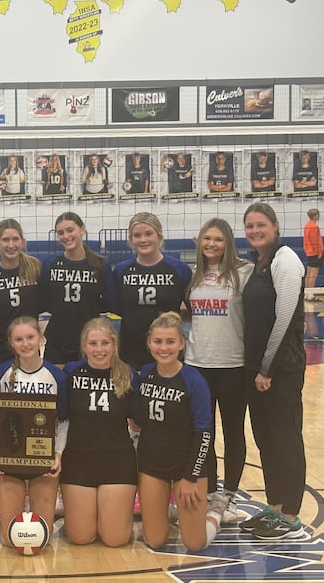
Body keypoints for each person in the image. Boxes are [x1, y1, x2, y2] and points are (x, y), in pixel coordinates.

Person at [240, 203, 308, 540]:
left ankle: (292, 517)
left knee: (285, 441)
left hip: (282, 370)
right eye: (249, 226)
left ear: (276, 225)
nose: (254, 231)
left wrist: (267, 369)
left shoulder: (286, 260)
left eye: (260, 225)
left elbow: (285, 320)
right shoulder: (259, 263)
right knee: (266, 441)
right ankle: (275, 507)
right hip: (257, 371)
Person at [134, 312, 223, 551]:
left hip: (186, 466)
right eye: (158, 341)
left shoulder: (194, 381)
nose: (164, 348)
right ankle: (172, 512)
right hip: (153, 465)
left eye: (170, 342)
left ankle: (215, 512)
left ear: (182, 344)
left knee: (194, 543)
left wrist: (190, 477)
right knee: (154, 540)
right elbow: (137, 421)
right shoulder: (144, 374)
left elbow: (204, 434)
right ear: (149, 343)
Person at [185, 219, 253, 525]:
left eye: (218, 239)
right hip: (198, 363)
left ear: (228, 242)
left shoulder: (245, 272)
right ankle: (212, 493)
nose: (211, 244)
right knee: (204, 434)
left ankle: (231, 496)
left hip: (233, 364)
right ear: (199, 242)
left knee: (234, 432)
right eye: (206, 239)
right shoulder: (194, 275)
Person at [0, 317, 69, 545]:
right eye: (19, 339)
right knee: (9, 538)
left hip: (43, 457)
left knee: (40, 537)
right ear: (11, 343)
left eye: (30, 337)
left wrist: (58, 454)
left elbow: (63, 421)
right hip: (9, 456)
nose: (25, 344)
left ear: (41, 338)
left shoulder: (57, 377)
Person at [61, 317, 137, 546]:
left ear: (114, 344)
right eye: (93, 344)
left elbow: (138, 423)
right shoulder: (71, 373)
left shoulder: (129, 375)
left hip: (117, 462)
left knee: (115, 540)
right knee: (81, 538)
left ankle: (116, 520)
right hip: (78, 462)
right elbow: (61, 419)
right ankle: (81, 518)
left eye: (105, 343)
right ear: (84, 346)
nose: (99, 349)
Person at [113, 212, 192, 370]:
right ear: (131, 240)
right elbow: (118, 307)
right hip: (131, 348)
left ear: (159, 236)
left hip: (167, 349)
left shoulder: (179, 269)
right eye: (137, 235)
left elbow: (192, 308)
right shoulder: (121, 270)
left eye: (149, 234)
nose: (143, 240)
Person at [41, 212, 116, 364]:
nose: (66, 236)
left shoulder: (100, 265)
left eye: (70, 230)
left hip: (90, 341)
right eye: (60, 233)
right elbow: (45, 300)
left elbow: (110, 302)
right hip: (58, 340)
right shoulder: (51, 264)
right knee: (58, 385)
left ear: (82, 229)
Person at [0, 219, 43, 363]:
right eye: (5, 240)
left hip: (28, 347)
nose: (11, 245)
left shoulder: (36, 270)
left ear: (23, 241)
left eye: (15, 239)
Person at [302, 209, 323, 302]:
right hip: (314, 253)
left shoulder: (307, 225)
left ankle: (306, 294)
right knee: (313, 275)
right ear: (315, 216)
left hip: (309, 252)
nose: (319, 216)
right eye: (318, 214)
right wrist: (319, 252)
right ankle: (310, 294)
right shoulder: (313, 226)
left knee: (309, 274)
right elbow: (315, 241)